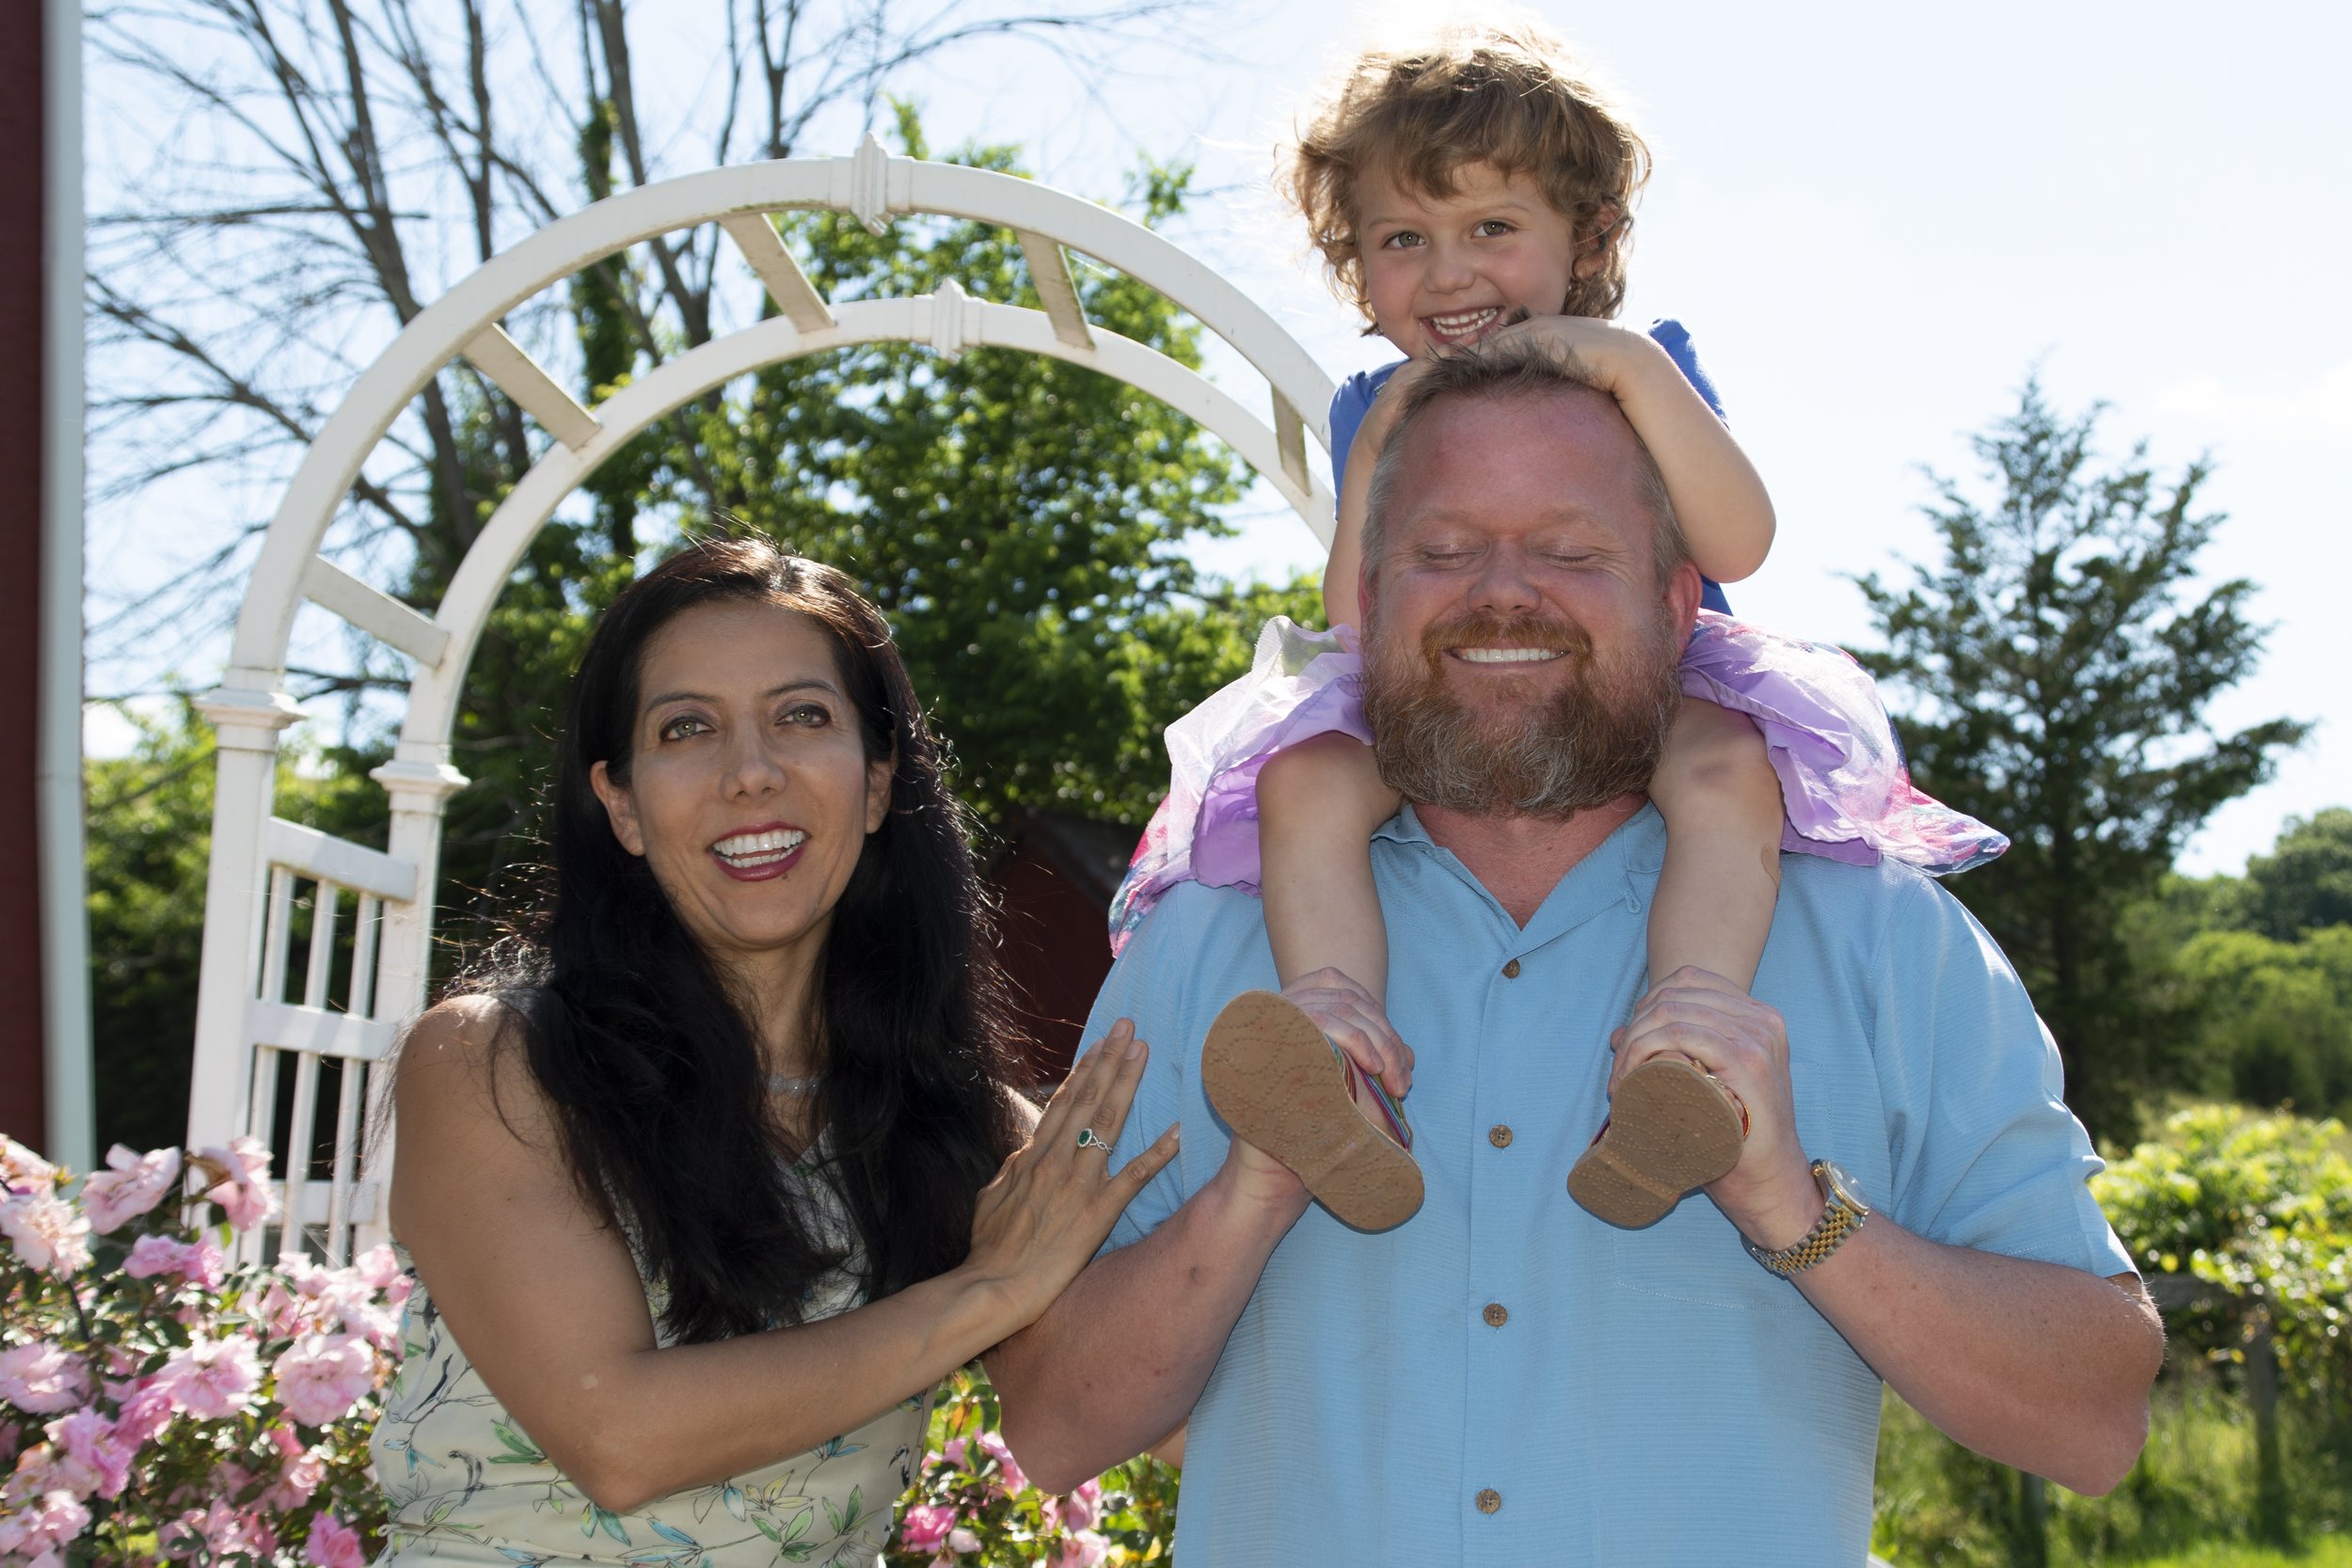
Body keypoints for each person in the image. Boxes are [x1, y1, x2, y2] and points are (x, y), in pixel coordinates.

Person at [991, 342, 2165, 1565]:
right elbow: (1053, 1424)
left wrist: (1797, 1211)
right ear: (1371, 595)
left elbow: (2097, 1419)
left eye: (1570, 549)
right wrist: (1252, 1193)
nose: (1504, 593)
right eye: (1444, 551)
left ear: (1675, 603)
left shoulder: (1882, 936)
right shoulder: (1206, 942)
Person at [1110, 17, 2007, 1233]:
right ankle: (1342, 1058)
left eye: (1493, 229)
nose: (1450, 271)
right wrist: (1387, 433)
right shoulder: (1374, 401)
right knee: (1307, 783)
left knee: (1727, 769)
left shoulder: (1641, 362)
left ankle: (1680, 1047)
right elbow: (1359, 621)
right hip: (1452, 687)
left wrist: (1627, 370)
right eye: (1403, 240)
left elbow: (1737, 542)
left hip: (1654, 676)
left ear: (1583, 243)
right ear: (1356, 268)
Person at [370, 539, 1178, 1565]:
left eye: (802, 715)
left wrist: (1264, 1177)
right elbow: (617, 1436)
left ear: (878, 780)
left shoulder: (962, 1130)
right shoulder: (496, 1062)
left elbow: (1169, 1407)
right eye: (687, 727)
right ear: (620, 801)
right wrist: (983, 1290)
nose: (751, 772)